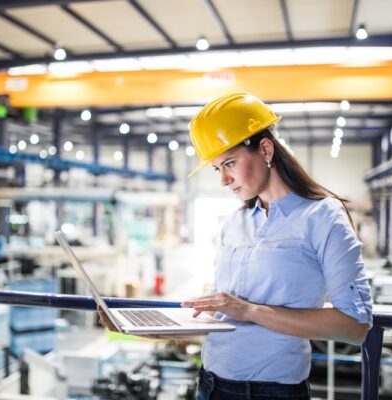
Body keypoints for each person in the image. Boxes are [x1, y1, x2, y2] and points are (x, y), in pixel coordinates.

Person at [99, 93, 373, 400]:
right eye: (217, 169)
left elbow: (354, 325)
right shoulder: (235, 224)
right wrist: (146, 328)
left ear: (266, 149)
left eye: (229, 163)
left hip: (272, 392)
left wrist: (249, 310)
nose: (224, 180)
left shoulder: (322, 216)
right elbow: (222, 318)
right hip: (210, 385)